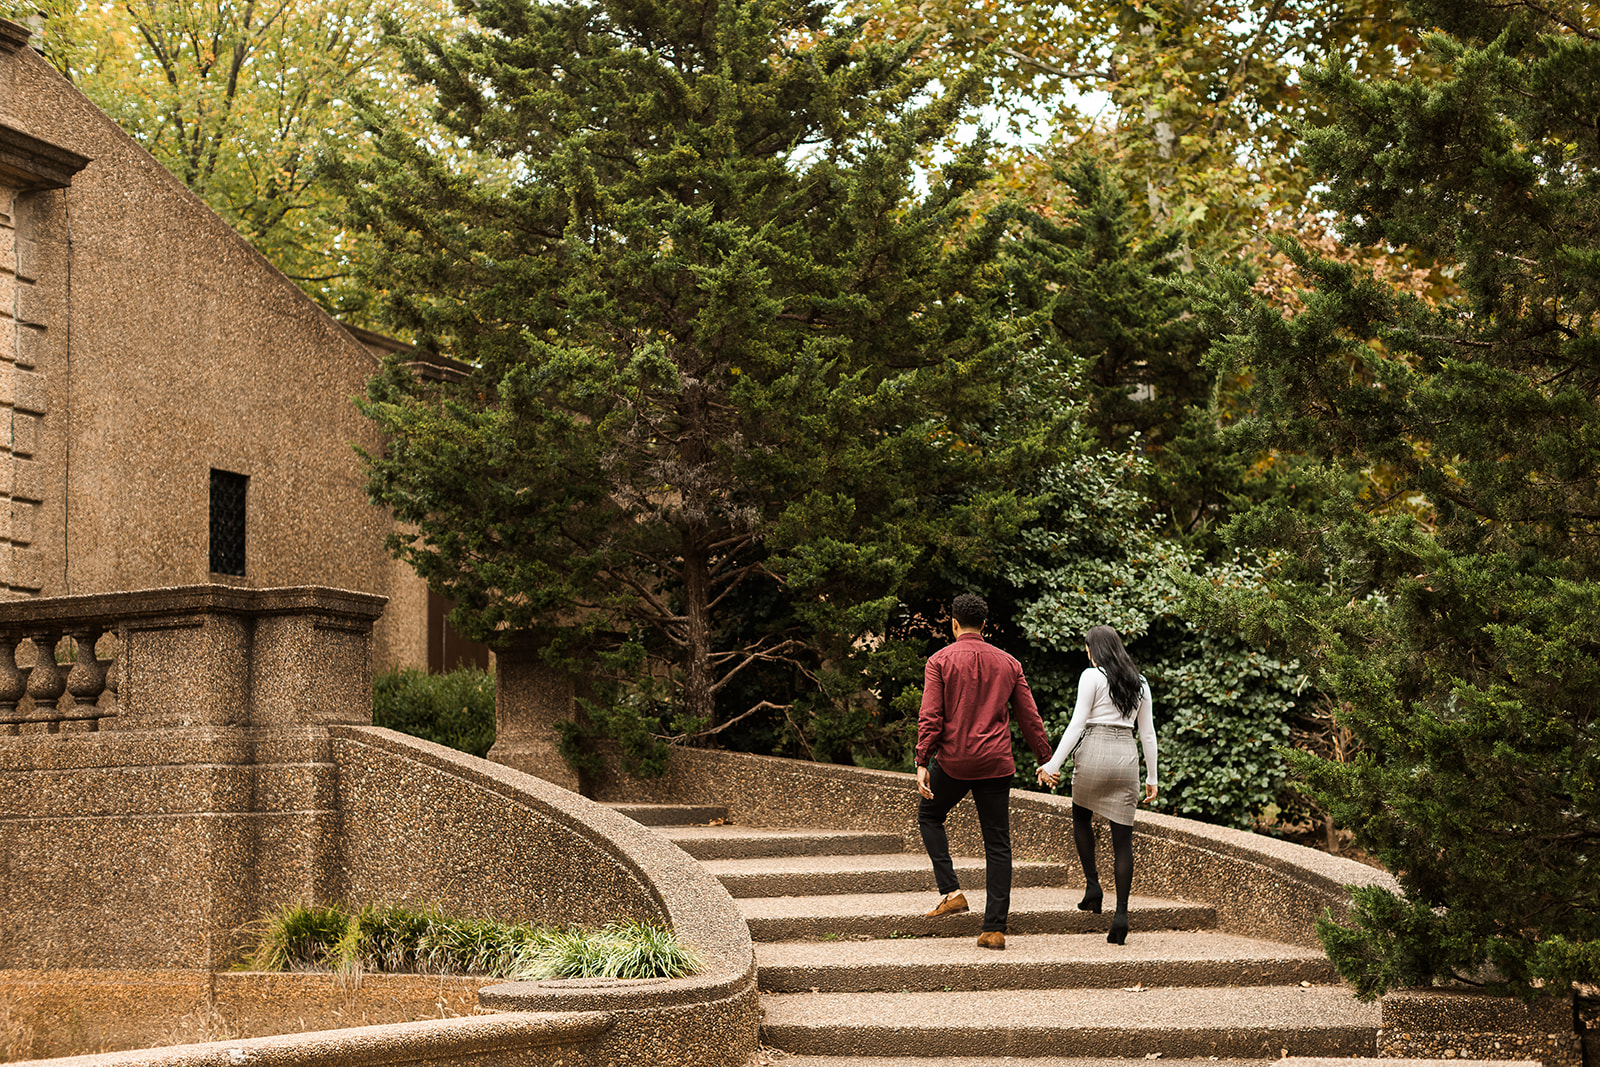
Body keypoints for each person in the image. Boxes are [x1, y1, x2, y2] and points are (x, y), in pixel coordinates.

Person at [915, 592, 1053, 951]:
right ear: (986, 625)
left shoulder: (939, 661)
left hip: (955, 762)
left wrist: (921, 761)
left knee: (930, 814)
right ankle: (994, 928)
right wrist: (1045, 758)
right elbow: (1029, 717)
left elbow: (931, 716)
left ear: (954, 624)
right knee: (997, 842)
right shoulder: (1009, 663)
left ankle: (952, 891)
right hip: (995, 764)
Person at [1036, 624, 1158, 945]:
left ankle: (1092, 885)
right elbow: (1148, 734)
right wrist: (1152, 776)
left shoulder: (1091, 676)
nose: (1086, 653)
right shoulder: (1140, 683)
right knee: (1122, 842)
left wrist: (1053, 765)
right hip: (1126, 757)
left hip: (1093, 749)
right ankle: (1121, 913)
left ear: (1096, 649)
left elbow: (1077, 723)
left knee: (1081, 817)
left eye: (1087, 648)